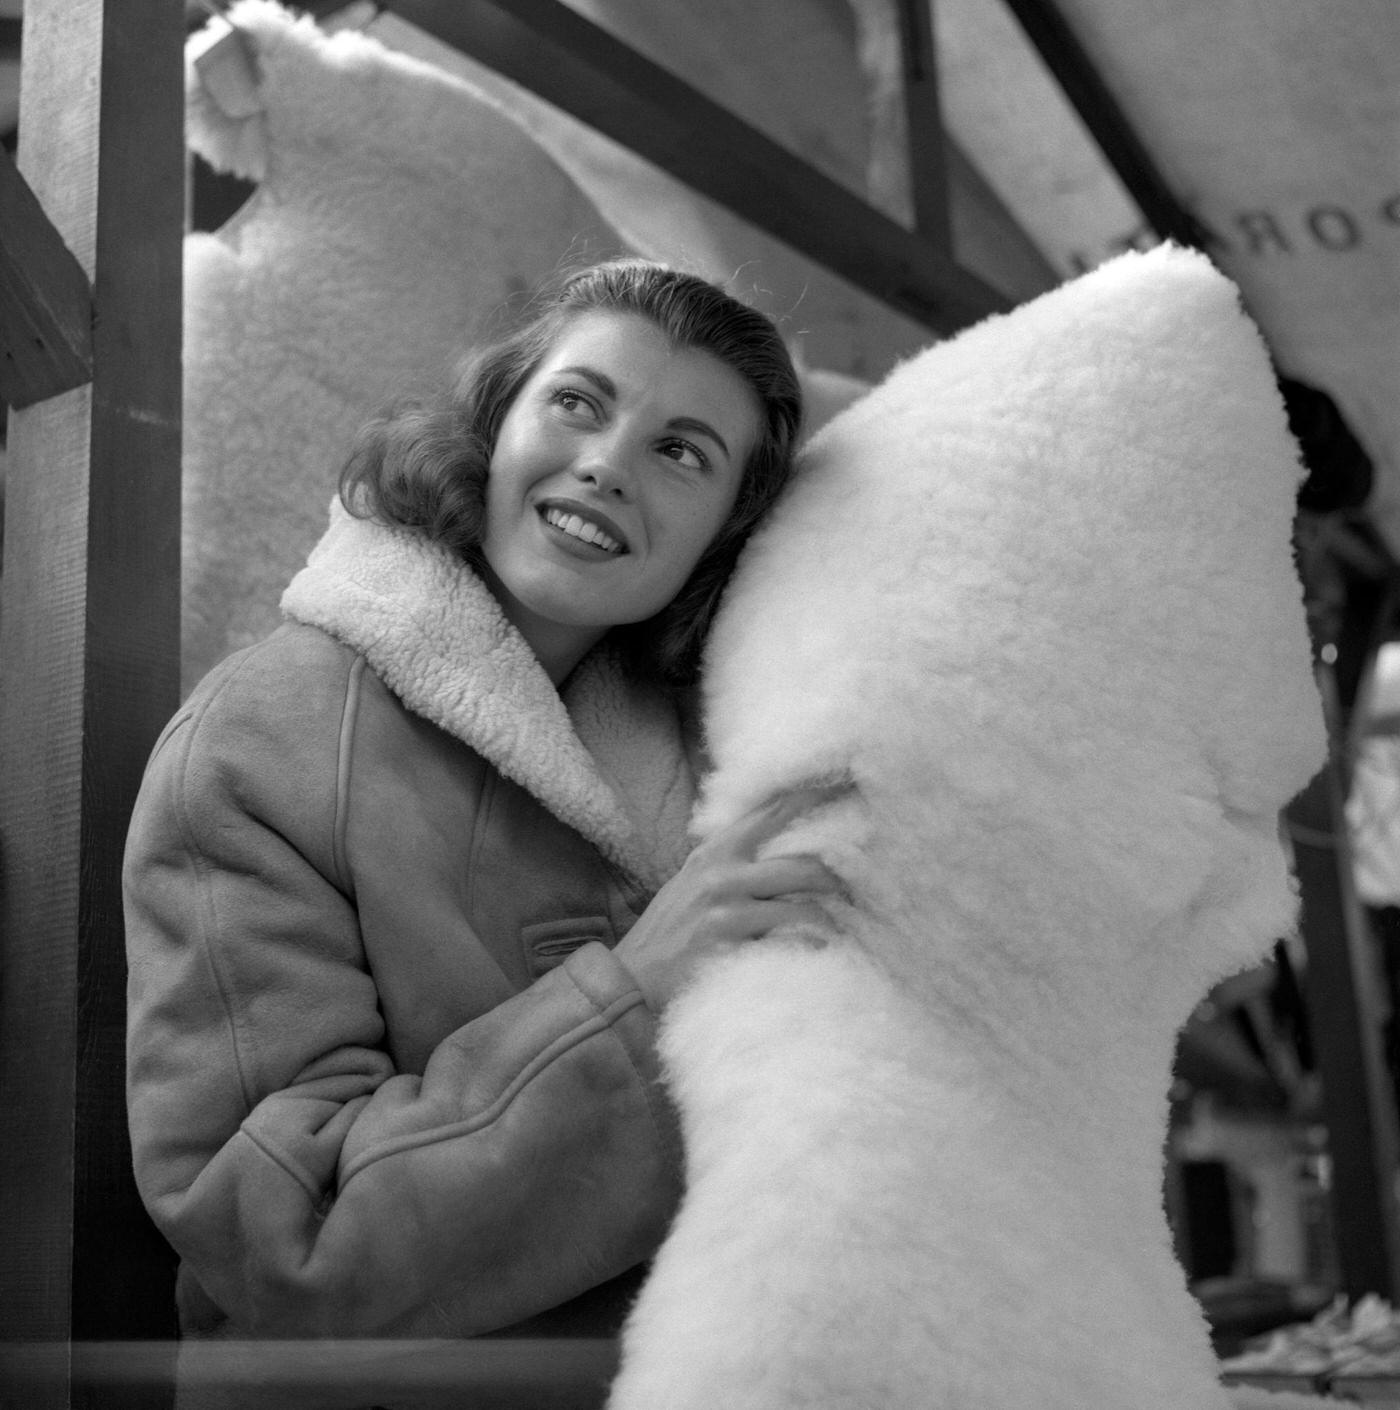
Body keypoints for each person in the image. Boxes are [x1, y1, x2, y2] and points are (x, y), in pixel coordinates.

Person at [123, 259, 844, 1344]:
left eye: (681, 453)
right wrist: (641, 990)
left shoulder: (725, 761)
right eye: (577, 403)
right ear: (495, 422)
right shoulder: (258, 740)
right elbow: (287, 1238)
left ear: (721, 539)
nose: (605, 466)